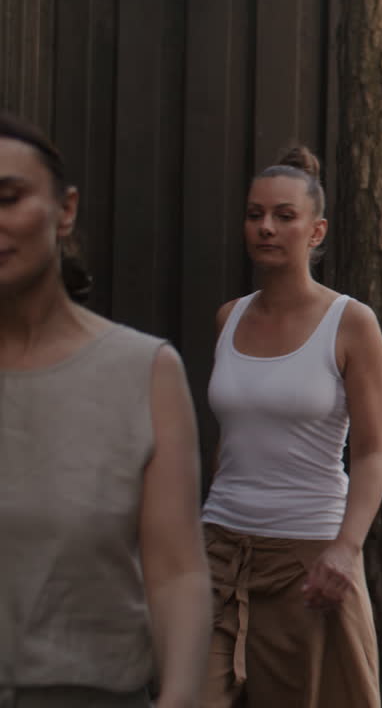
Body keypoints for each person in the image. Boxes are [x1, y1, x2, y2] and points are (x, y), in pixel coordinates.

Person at [0, 112, 211, 707]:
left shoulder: (142, 372)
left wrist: (180, 698)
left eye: (8, 198)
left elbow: (176, 571)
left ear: (65, 210)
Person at [199, 146, 382, 708]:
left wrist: (345, 548)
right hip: (220, 552)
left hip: (308, 559)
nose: (265, 227)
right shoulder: (227, 317)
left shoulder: (351, 323)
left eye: (284, 216)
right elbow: (232, 439)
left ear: (315, 229)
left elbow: (372, 453)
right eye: (255, 214)